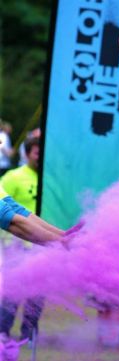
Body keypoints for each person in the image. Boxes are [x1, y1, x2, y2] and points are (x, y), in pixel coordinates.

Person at [0, 137, 45, 341]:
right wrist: (6, 242)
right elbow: (6, 212)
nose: (40, 156)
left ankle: (29, 335)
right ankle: (3, 331)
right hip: (17, 245)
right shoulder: (12, 177)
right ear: (27, 154)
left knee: (37, 294)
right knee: (12, 292)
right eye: (36, 152)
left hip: (42, 246)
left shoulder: (50, 178)